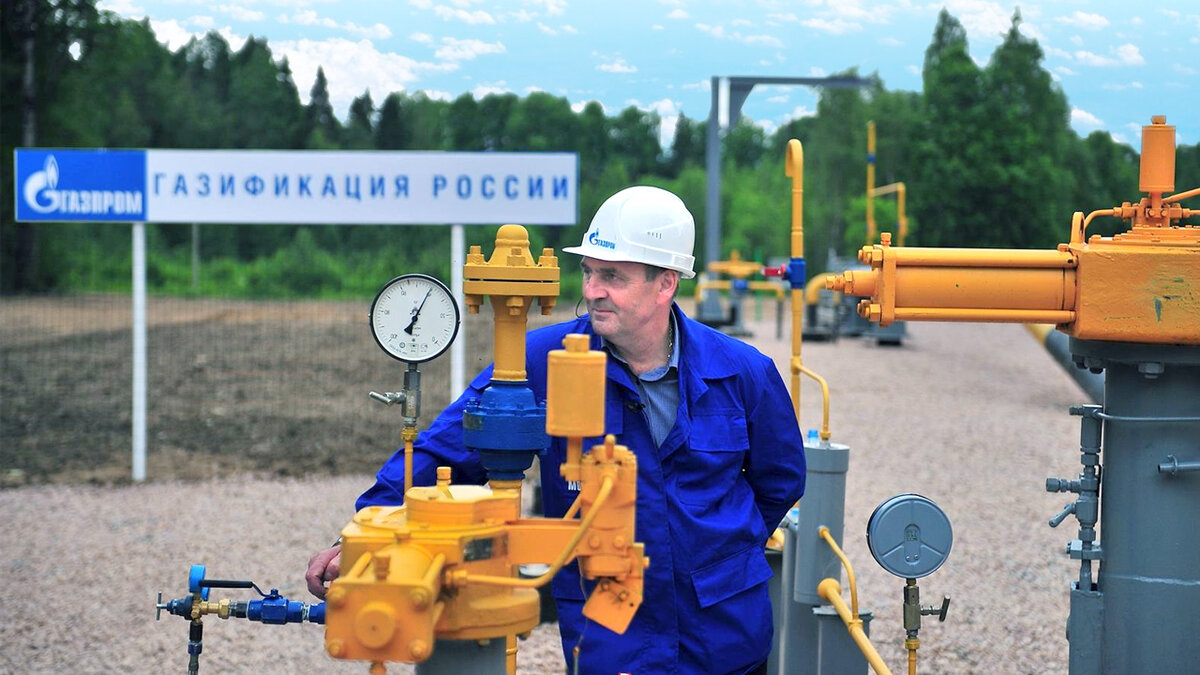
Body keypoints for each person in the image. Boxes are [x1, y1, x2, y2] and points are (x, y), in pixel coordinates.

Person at [307, 186, 806, 674]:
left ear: (666, 284)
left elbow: (781, 480)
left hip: (721, 634)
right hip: (613, 640)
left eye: (612, 276)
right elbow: (443, 452)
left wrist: (719, 551)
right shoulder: (539, 361)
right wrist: (361, 536)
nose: (591, 290)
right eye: (588, 271)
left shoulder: (742, 372)